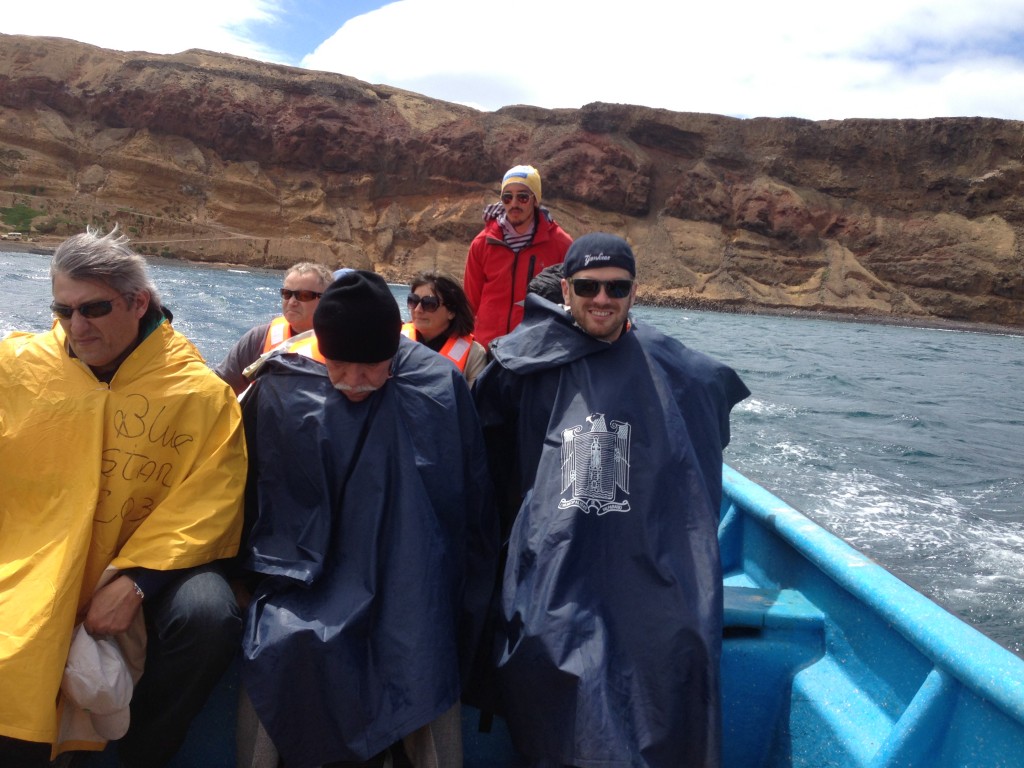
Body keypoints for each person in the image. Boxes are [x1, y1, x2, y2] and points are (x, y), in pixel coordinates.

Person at [473, 233, 750, 767]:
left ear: (633, 292)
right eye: (588, 286)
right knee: (552, 638)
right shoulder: (522, 363)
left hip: (647, 550)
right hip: (557, 550)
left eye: (616, 287)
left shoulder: (672, 367)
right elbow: (486, 457)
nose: (602, 298)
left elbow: (710, 400)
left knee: (680, 640)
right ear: (568, 291)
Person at [0, 227, 247, 767]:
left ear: (138, 303)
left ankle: (142, 754)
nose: (77, 328)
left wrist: (139, 580)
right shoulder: (20, 368)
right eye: (63, 311)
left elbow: (210, 500)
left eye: (93, 309)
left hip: (139, 560)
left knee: (207, 616)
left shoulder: (198, 393)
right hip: (34, 547)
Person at [236, 270, 498, 768]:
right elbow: (248, 496)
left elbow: (469, 508)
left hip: (409, 574)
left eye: (372, 368)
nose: (354, 382)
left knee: (423, 655)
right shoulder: (281, 384)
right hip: (307, 577)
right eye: (340, 366)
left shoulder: (438, 389)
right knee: (276, 647)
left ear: (393, 354)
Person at [463, 164, 573, 348]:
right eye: (507, 197)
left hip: (536, 350)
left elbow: (572, 303)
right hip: (487, 349)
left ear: (535, 200)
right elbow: (469, 303)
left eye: (522, 197)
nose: (514, 203)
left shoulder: (562, 244)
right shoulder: (482, 243)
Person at [215, 261, 334, 394]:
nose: (292, 302)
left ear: (326, 300)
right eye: (287, 294)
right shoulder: (258, 338)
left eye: (304, 296)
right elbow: (220, 388)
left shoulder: (340, 347)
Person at [403, 270, 488, 387]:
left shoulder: (474, 355)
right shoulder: (393, 340)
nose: (418, 309)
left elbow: (472, 402)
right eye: (413, 301)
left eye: (429, 303)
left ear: (451, 311)